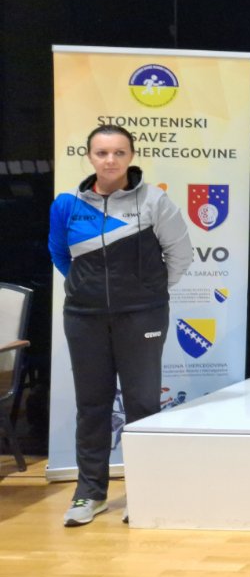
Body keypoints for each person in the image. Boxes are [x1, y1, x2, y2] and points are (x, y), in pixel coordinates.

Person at [49, 124, 192, 526]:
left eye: (118, 153)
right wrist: (86, 290)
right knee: (92, 405)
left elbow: (180, 253)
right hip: (84, 317)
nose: (110, 160)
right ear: (89, 156)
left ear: (131, 156)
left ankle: (145, 491)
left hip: (142, 315)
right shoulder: (67, 204)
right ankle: (89, 493)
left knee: (142, 404)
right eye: (102, 153)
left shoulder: (154, 200)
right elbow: (60, 254)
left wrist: (147, 292)